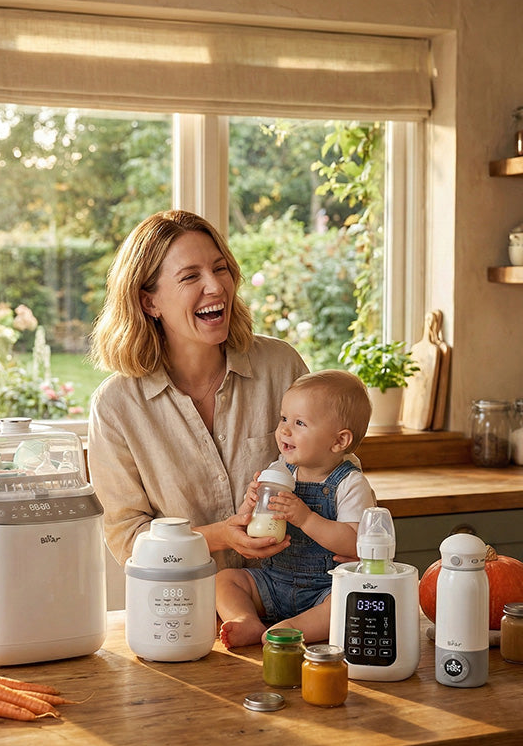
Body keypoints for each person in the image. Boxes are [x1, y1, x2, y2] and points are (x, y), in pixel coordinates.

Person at [87, 209, 309, 570]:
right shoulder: (116, 407)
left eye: (220, 269)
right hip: (181, 607)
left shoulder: (281, 366)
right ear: (149, 302)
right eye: (191, 276)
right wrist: (220, 535)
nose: (216, 286)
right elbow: (129, 540)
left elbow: (334, 471)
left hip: (295, 602)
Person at [216, 369, 376, 648]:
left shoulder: (350, 484)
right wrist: (251, 502)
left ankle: (293, 628)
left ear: (339, 441)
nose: (284, 430)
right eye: (284, 419)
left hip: (323, 589)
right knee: (225, 580)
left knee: (345, 602)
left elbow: (355, 543)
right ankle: (246, 620)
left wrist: (306, 518)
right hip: (273, 580)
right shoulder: (279, 469)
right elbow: (251, 524)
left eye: (300, 422)